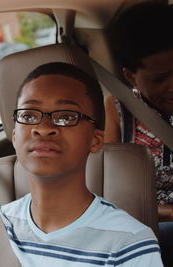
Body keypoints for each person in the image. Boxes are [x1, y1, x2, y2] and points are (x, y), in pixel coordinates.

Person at [0, 61, 163, 266]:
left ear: (96, 140)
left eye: (66, 117)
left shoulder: (129, 243)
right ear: (15, 136)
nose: (43, 127)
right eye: (29, 115)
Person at [104, 2, 173, 264]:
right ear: (131, 76)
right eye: (159, 78)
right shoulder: (118, 108)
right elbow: (112, 189)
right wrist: (166, 213)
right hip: (147, 223)